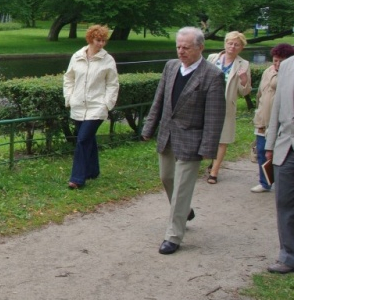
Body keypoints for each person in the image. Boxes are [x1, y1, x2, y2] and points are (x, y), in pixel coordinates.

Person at [141, 27, 226, 255]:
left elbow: (215, 115)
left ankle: (173, 235)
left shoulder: (213, 75)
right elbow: (159, 99)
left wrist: (208, 148)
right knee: (166, 178)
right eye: (178, 47)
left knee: (180, 189)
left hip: (191, 140)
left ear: (201, 48)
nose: (181, 51)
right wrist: (149, 127)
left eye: (186, 48)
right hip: (167, 135)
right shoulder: (170, 67)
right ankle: (184, 210)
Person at [63, 24, 120, 189]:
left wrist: (106, 104)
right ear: (90, 39)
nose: (101, 44)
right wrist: (69, 97)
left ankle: (77, 178)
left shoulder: (108, 60)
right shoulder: (77, 56)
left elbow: (112, 84)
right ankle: (93, 170)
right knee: (87, 139)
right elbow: (69, 78)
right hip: (78, 106)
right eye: (98, 40)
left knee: (82, 139)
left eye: (104, 41)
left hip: (97, 108)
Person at [204, 31, 252, 184]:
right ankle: (212, 160)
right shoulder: (212, 58)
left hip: (226, 106)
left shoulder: (243, 64)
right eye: (230, 43)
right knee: (208, 135)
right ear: (225, 43)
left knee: (222, 139)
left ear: (241, 48)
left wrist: (244, 80)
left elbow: (244, 91)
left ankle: (214, 172)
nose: (232, 46)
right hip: (208, 103)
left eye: (236, 44)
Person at [264, 54, 294, 274]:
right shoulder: (287, 65)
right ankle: (288, 256)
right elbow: (277, 107)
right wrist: (270, 144)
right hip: (287, 146)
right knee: (284, 203)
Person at [250, 43, 294, 192]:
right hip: (263, 119)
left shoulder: (289, 74)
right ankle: (265, 182)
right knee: (262, 151)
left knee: (281, 154)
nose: (277, 64)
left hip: (279, 123)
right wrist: (258, 112)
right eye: (275, 60)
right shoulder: (268, 72)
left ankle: (283, 181)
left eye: (280, 61)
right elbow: (260, 94)